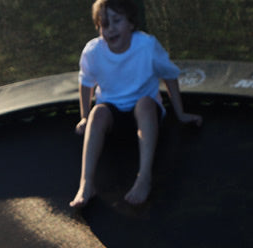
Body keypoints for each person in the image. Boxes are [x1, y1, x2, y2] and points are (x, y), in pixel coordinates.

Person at [70, 0, 202, 208]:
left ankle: (144, 177)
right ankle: (86, 184)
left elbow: (169, 75)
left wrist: (181, 113)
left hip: (145, 115)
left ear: (131, 23)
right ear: (98, 28)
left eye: (116, 21)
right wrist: (84, 117)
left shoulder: (147, 46)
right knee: (98, 114)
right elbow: (85, 83)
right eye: (104, 24)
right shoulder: (93, 51)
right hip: (113, 117)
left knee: (145, 104)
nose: (110, 29)